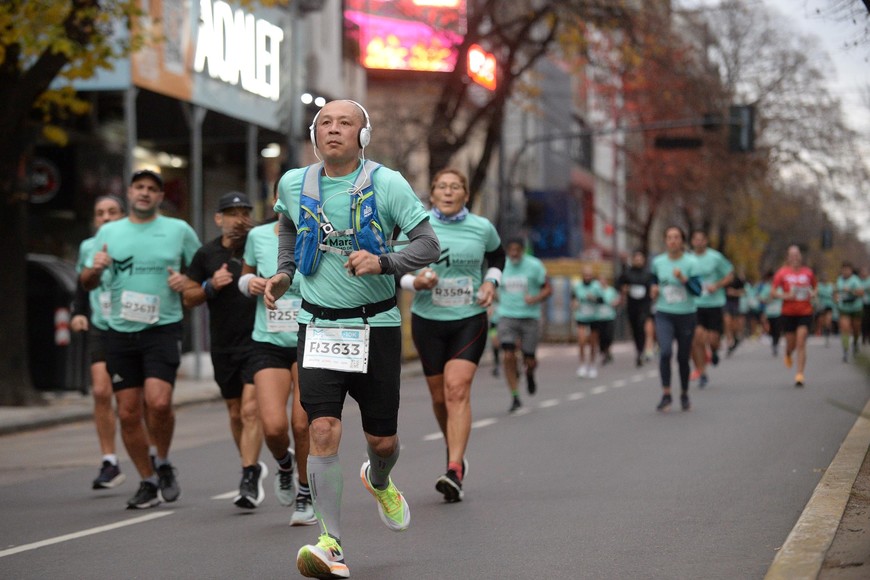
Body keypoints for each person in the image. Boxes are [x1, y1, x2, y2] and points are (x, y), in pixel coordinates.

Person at [265, 99, 440, 579]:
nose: (334, 130)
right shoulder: (294, 183)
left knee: (381, 441)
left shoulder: (387, 183)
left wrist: (383, 262)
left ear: (363, 136)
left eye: (346, 123)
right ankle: (331, 544)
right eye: (325, 123)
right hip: (318, 325)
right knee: (321, 429)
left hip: (376, 326)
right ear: (313, 133)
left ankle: (379, 479)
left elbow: (428, 244)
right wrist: (284, 273)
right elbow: (287, 223)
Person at [80, 169, 201, 509]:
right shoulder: (109, 232)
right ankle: (148, 480)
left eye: (152, 189)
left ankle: (162, 460)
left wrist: (187, 284)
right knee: (129, 411)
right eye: (139, 187)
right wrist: (96, 268)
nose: (145, 193)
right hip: (118, 332)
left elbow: (199, 276)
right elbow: (87, 281)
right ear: (130, 193)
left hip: (163, 328)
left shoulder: (178, 231)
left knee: (159, 402)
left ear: (160, 197)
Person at [400, 167, 503, 503]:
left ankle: (455, 468)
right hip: (427, 320)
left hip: (469, 318)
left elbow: (497, 257)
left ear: (466, 195)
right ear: (432, 194)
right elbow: (396, 270)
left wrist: (491, 282)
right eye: (441, 186)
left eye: (455, 187)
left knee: (457, 389)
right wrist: (416, 282)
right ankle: (454, 450)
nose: (447, 192)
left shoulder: (482, 228)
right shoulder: (416, 227)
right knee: (440, 398)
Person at [182, 192, 265, 509]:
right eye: (231, 213)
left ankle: (247, 475)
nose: (238, 218)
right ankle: (252, 464)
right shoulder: (206, 254)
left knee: (250, 410)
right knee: (235, 412)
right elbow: (188, 298)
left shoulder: (257, 246)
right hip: (223, 344)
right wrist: (210, 286)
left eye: (244, 212)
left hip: (257, 340)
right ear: (219, 218)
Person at [240, 196, 315, 526]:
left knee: (302, 423)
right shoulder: (257, 236)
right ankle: (284, 464)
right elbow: (245, 276)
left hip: (310, 338)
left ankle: (304, 492)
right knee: (272, 427)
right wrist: (250, 283)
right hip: (268, 341)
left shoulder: (319, 235)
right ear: (276, 200)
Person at [71, 195, 129, 489]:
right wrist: (79, 312)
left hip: (133, 326)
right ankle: (109, 460)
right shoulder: (87, 247)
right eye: (100, 213)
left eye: (112, 212)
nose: (105, 217)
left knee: (133, 398)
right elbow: (82, 283)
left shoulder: (133, 242)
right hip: (101, 324)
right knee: (101, 390)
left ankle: (152, 453)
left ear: (122, 215)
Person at [496, 238, 552, 412]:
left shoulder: (534, 266)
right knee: (507, 354)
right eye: (510, 250)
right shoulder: (500, 266)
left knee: (529, 359)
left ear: (523, 250)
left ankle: (529, 373)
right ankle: (514, 395)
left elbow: (548, 289)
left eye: (517, 250)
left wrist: (534, 299)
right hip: (507, 316)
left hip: (529, 316)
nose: (514, 253)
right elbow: (492, 286)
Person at [650, 226, 701, 412]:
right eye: (669, 237)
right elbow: (653, 282)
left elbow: (698, 290)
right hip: (664, 313)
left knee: (682, 357)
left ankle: (685, 394)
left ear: (682, 241)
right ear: (665, 241)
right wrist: (653, 290)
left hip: (686, 314)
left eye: (677, 237)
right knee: (665, 352)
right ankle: (666, 394)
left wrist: (684, 279)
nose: (673, 241)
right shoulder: (658, 262)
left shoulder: (691, 262)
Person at [688, 230, 733, 388]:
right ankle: (702, 372)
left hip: (714, 303)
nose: (699, 242)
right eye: (696, 239)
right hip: (696, 304)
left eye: (701, 239)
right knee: (697, 337)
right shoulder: (689, 259)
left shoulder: (715, 257)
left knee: (713, 339)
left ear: (706, 241)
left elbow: (729, 275)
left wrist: (717, 285)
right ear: (692, 241)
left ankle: (713, 351)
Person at [771, 245, 817, 386]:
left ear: (800, 257)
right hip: (788, 313)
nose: (795, 257)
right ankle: (788, 353)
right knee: (791, 344)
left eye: (797, 255)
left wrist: (813, 294)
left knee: (801, 340)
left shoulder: (808, 273)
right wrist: (786, 295)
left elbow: (815, 287)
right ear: (788, 257)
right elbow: (773, 292)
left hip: (805, 312)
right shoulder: (782, 273)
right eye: (792, 255)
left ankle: (799, 374)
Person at [617, 250, 656, 367]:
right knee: (635, 329)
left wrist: (653, 293)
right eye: (636, 259)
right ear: (633, 260)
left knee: (642, 326)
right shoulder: (627, 274)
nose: (638, 261)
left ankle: (642, 351)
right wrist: (623, 289)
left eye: (640, 259)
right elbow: (619, 284)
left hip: (644, 305)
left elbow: (653, 287)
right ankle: (639, 349)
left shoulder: (648, 274)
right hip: (632, 305)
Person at [572, 265, 603, 379]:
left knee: (593, 343)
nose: (587, 277)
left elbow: (602, 300)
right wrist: (574, 304)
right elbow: (574, 299)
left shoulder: (596, 286)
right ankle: (582, 364)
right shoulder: (577, 286)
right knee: (581, 340)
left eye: (589, 275)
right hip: (581, 316)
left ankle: (592, 364)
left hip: (594, 317)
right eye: (585, 275)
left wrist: (593, 298)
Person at [834, 261, 864, 362]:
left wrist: (850, 291)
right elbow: (836, 293)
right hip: (844, 308)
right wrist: (836, 297)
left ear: (851, 270)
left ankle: (855, 343)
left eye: (847, 270)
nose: (845, 272)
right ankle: (845, 350)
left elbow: (861, 293)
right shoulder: (839, 280)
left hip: (856, 307)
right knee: (845, 328)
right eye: (844, 270)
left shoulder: (855, 280)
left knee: (856, 329)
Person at [595, 275, 621, 366]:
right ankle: (604, 352)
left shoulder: (611, 290)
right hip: (598, 317)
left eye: (603, 280)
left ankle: (608, 350)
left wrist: (615, 302)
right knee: (601, 336)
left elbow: (618, 299)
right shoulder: (596, 291)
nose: (602, 282)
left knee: (609, 335)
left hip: (609, 316)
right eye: (600, 280)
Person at [757, 270, 783, 357]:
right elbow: (760, 298)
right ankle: (773, 341)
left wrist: (776, 296)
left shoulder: (779, 287)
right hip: (769, 312)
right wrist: (768, 299)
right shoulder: (766, 287)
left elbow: (784, 296)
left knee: (777, 329)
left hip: (778, 311)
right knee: (770, 329)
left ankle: (775, 343)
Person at [861, 266, 870, 345]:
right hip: (862, 304)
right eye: (862, 272)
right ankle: (864, 337)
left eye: (865, 271)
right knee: (864, 321)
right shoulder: (859, 281)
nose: (863, 273)